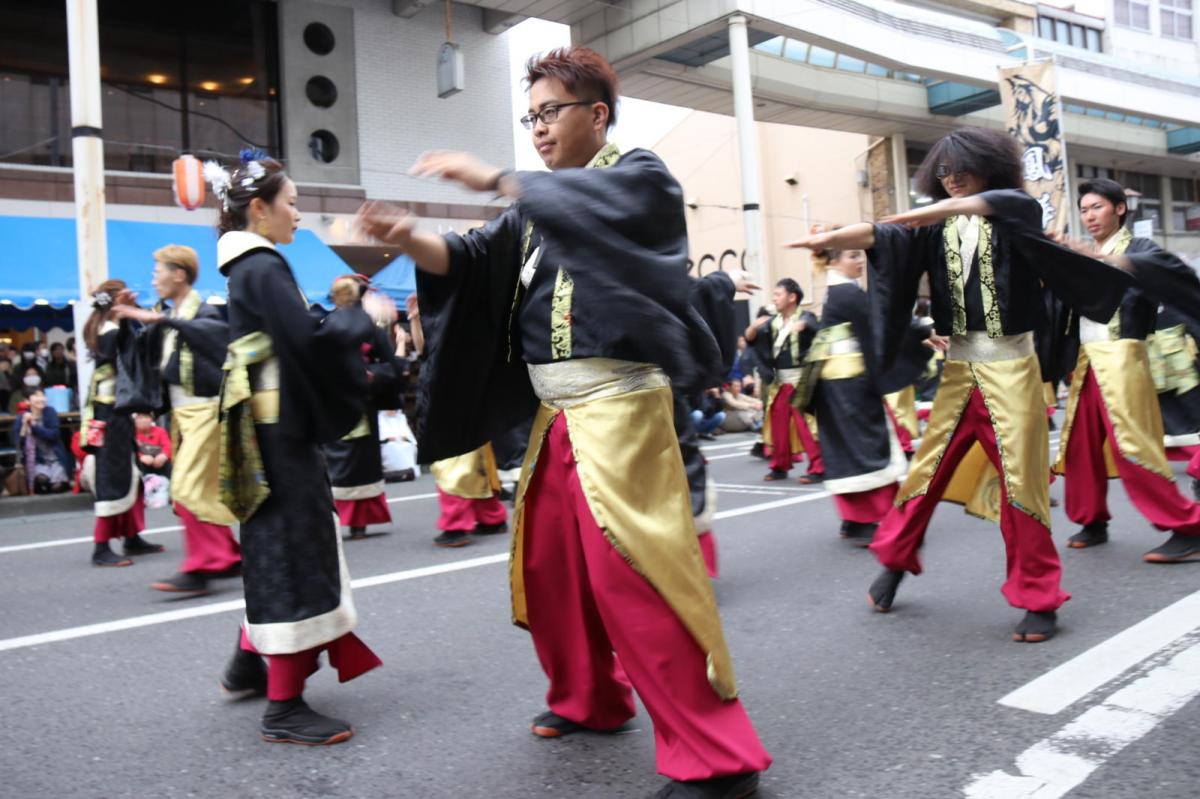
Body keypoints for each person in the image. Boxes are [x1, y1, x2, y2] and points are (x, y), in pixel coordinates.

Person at [357, 45, 770, 799]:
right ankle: (590, 698)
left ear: (597, 114)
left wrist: (494, 177)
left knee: (637, 579)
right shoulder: (536, 204)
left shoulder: (640, 177)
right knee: (552, 570)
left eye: (549, 112)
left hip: (621, 405)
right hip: (558, 412)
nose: (538, 129)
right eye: (531, 116)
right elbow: (474, 260)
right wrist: (408, 233)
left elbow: (609, 212)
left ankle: (719, 760)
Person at [788, 127, 1133, 643]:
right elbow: (885, 238)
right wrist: (831, 239)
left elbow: (984, 205)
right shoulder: (933, 230)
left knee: (1023, 485)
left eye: (962, 170)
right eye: (944, 173)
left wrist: (913, 215)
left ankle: (1038, 597)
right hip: (958, 370)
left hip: (1012, 370)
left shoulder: (1016, 208)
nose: (952, 181)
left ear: (988, 167)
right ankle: (896, 561)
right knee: (923, 476)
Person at [208, 156, 381, 745]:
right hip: (278, 430)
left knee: (275, 542)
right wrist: (357, 318)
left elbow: (293, 330)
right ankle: (284, 707)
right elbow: (306, 339)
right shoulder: (261, 264)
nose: (298, 212)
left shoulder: (246, 266)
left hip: (262, 421)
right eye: (291, 201)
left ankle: (249, 663)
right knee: (293, 548)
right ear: (259, 207)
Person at [1048, 178, 1200, 564]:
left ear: (1119, 208)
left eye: (1097, 207)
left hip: (1124, 357)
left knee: (1131, 447)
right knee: (1079, 448)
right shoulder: (1081, 252)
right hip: (1088, 360)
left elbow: (1167, 276)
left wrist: (1095, 259)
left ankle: (1188, 526)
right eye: (1084, 210)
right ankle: (1092, 520)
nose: (1089, 216)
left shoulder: (1141, 249)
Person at [110, 244, 242, 597]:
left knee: (186, 487)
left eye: (159, 272)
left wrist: (159, 318)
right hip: (184, 416)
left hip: (206, 410)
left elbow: (214, 338)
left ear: (179, 274)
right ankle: (226, 554)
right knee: (198, 490)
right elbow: (138, 352)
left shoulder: (204, 312)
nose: (155, 279)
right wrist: (128, 318)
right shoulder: (168, 315)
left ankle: (202, 567)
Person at [805, 245, 930, 546]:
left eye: (859, 255)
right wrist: (924, 330)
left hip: (839, 384)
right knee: (866, 447)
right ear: (835, 261)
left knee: (850, 447)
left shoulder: (839, 291)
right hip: (847, 384)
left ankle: (854, 519)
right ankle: (866, 518)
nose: (859, 261)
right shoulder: (846, 293)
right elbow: (883, 321)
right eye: (852, 256)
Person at [81, 280, 163, 567]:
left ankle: (131, 536)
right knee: (111, 476)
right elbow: (108, 351)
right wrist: (119, 315)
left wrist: (131, 311)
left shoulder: (114, 324)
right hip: (107, 414)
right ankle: (100, 547)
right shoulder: (103, 328)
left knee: (131, 475)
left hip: (118, 411)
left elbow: (142, 337)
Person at [321, 274, 406, 541]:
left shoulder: (327, 324)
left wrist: (366, 375)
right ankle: (354, 520)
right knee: (350, 459)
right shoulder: (362, 325)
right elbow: (392, 366)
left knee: (347, 459)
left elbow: (388, 366)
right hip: (351, 401)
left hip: (342, 402)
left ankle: (344, 519)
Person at [745, 279, 824, 483]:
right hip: (780, 381)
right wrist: (754, 325)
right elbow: (749, 339)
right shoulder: (772, 322)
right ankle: (779, 466)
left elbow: (817, 327)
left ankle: (818, 467)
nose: (774, 298)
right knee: (777, 425)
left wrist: (804, 325)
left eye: (778, 294)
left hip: (801, 381)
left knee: (805, 426)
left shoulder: (806, 316)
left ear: (792, 297)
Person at [13, 387, 72, 494]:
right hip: (37, 461)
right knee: (41, 481)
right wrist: (24, 426)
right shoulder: (22, 416)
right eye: (36, 396)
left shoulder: (50, 412)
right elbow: (18, 443)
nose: (41, 399)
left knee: (57, 487)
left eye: (42, 395)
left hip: (55, 458)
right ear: (27, 401)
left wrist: (34, 427)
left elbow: (53, 435)